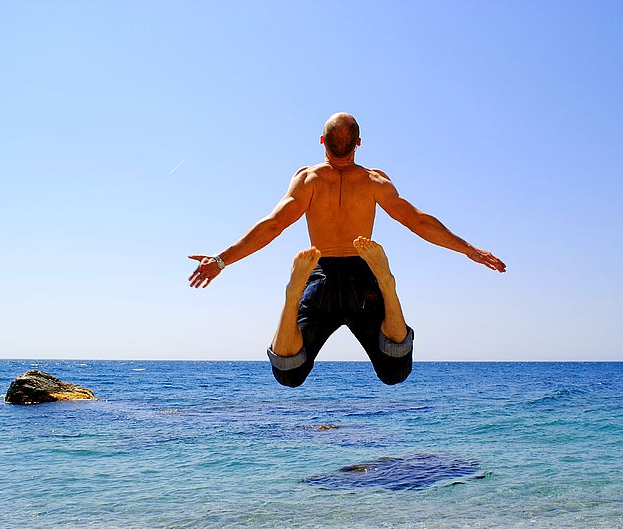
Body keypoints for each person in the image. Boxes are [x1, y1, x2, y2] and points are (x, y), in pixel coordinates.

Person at [188, 112, 505, 387]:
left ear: (322, 142)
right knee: (394, 372)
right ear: (359, 144)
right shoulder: (374, 181)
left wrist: (220, 261)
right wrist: (468, 249)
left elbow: (273, 225)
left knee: (289, 374)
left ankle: (292, 294)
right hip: (363, 274)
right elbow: (418, 222)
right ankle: (388, 285)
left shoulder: (307, 180)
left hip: (319, 272)